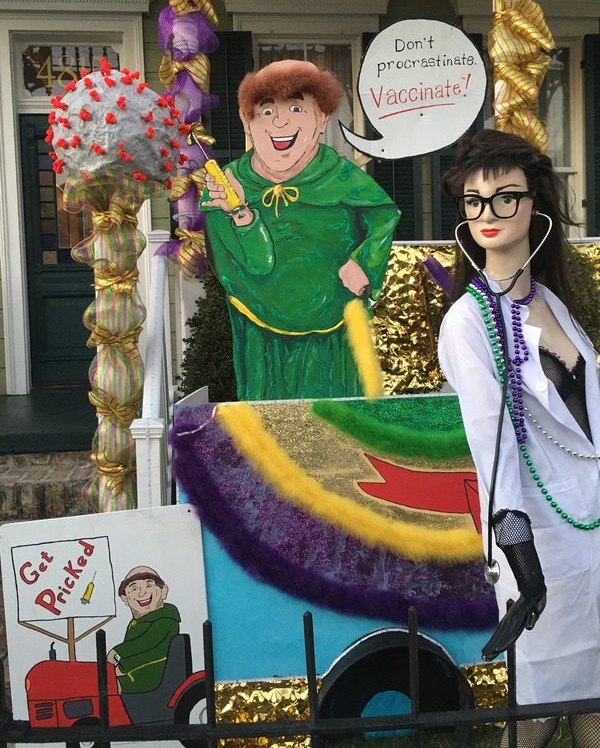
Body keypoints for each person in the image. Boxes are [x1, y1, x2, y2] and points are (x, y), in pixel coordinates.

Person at [437, 129, 600, 747]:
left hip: (592, 528)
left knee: (592, 697)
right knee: (537, 709)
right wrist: (519, 554)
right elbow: (491, 446)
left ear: (536, 204)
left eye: (506, 196)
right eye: (474, 200)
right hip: (539, 541)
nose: (488, 213)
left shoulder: (555, 303)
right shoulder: (467, 323)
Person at [201, 59, 400, 400]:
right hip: (260, 333)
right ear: (247, 122)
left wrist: (365, 262)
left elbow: (383, 216)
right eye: (266, 110)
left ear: (321, 119)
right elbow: (248, 264)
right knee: (270, 426)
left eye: (296, 107)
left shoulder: (341, 175)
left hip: (335, 328)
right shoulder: (227, 187)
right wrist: (239, 211)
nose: (280, 121)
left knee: (337, 419)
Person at [107, 566, 180, 694]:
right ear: (125, 598)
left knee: (107, 687)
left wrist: (118, 652)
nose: (142, 593)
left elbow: (146, 643)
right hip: (131, 670)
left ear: (163, 591)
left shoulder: (166, 619)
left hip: (152, 674)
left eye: (149, 585)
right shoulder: (135, 624)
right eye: (134, 588)